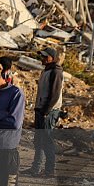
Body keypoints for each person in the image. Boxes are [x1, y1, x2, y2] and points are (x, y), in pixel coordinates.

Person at [28, 47, 64, 177]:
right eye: (42, 56)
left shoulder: (56, 71)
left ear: (52, 58)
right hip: (41, 109)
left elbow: (54, 94)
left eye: (45, 56)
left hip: (49, 112)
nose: (42, 59)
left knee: (47, 140)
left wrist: (45, 111)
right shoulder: (46, 71)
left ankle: (49, 170)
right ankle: (36, 168)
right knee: (39, 140)